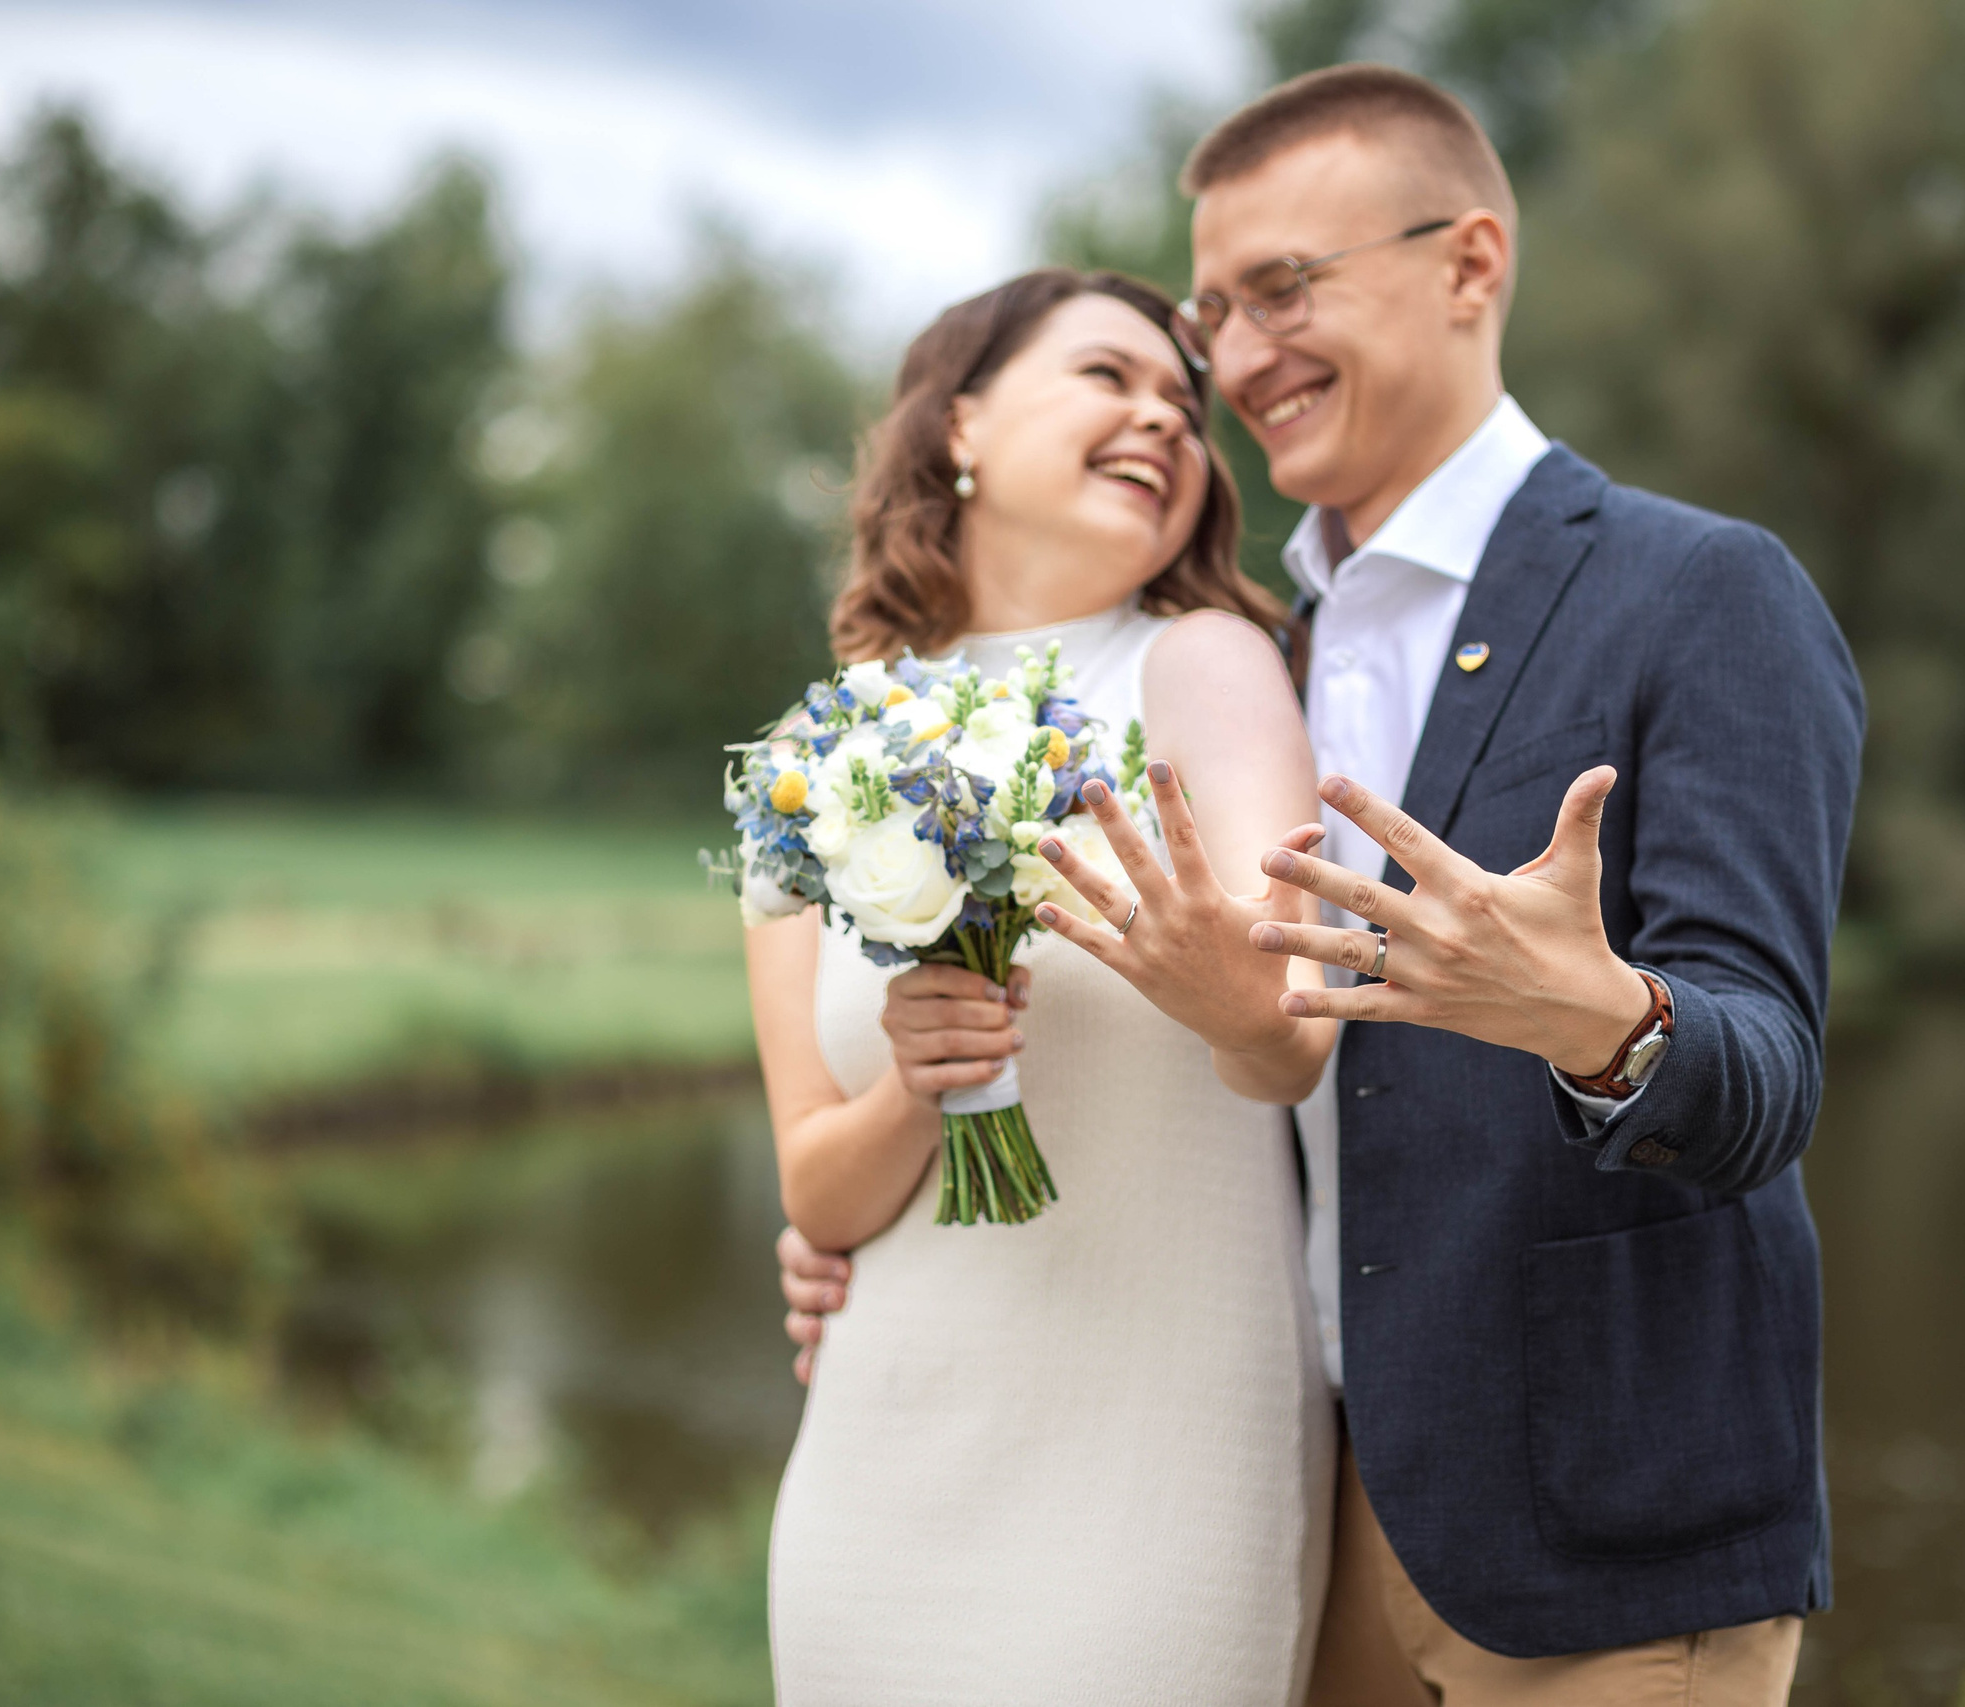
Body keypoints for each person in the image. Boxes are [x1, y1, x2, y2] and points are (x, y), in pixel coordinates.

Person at [781, 64, 1865, 1705]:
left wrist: (1602, 1018)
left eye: (1286, 286)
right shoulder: (1250, 659)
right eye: (1219, 310)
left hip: (1601, 1545)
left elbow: (1765, 1077)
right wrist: (870, 1216)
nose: (1239, 357)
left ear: (1470, 265)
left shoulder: (1701, 592)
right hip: (1312, 1498)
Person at [752, 267, 1347, 1705]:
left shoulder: (1201, 665)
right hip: (883, 1457)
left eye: (1182, 405)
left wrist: (1230, 993)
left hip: (1156, 1464)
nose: (1162, 417)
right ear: (962, 422)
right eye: (1109, 377)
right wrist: (920, 1075)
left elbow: (1287, 1044)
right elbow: (819, 1195)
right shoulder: (814, 747)